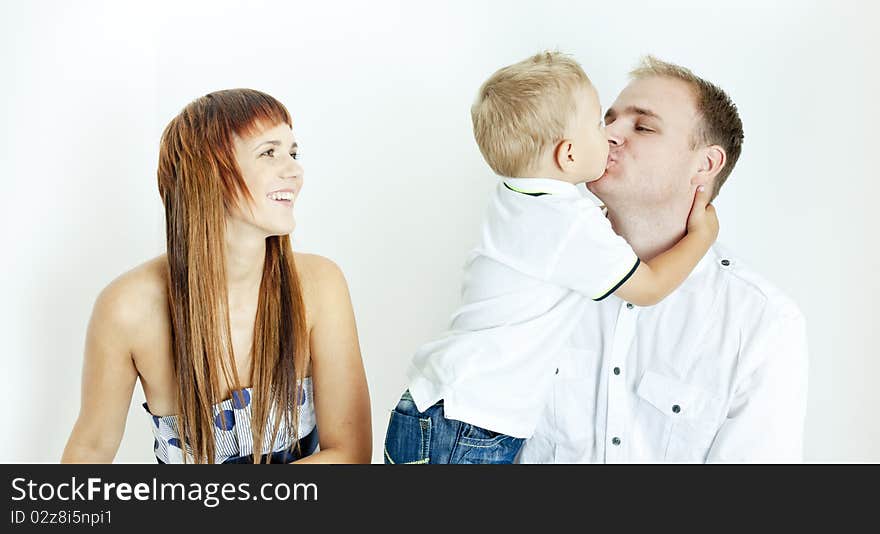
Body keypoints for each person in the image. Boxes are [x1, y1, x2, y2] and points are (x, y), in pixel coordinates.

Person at [383, 52, 718, 464]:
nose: (610, 134)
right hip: (470, 424)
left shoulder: (517, 199)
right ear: (570, 156)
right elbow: (648, 288)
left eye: (642, 126)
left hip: (437, 407)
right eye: (600, 122)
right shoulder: (569, 223)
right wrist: (703, 236)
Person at [517, 56, 809, 463]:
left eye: (643, 126)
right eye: (608, 120)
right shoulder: (532, 279)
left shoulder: (761, 323)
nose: (609, 135)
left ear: (705, 165)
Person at [61, 89, 372, 464]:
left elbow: (351, 454)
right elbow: (90, 450)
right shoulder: (127, 308)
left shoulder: (320, 285)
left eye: (293, 152)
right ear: (210, 173)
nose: (294, 170)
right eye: (269, 152)